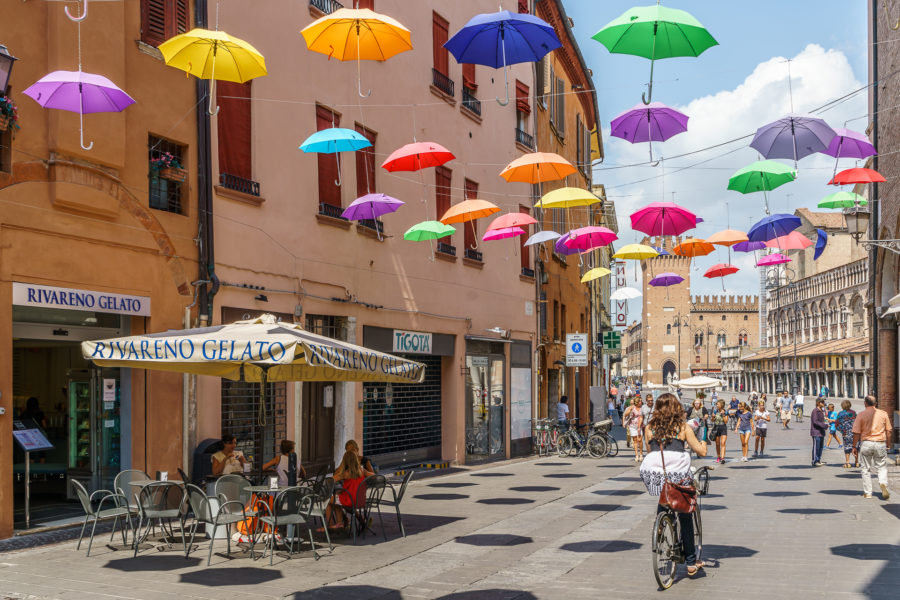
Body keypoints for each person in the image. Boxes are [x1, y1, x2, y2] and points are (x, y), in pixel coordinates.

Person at [640, 393, 707, 577]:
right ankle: (692, 563)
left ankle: (660, 523)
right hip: (677, 473)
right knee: (685, 513)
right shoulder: (683, 427)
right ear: (676, 408)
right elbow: (701, 451)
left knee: (665, 493)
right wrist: (703, 439)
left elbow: (649, 451)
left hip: (654, 471)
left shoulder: (649, 427)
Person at [851, 395, 891, 500]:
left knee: (865, 468)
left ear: (865, 403)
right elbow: (889, 431)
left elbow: (856, 432)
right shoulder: (883, 414)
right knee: (881, 466)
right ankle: (883, 483)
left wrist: (854, 446)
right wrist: (888, 444)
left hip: (866, 443)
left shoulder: (861, 415)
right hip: (880, 442)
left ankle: (868, 492)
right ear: (876, 404)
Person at [324, 450, 375, 530]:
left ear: (345, 461)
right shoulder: (362, 470)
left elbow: (330, 480)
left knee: (328, 500)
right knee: (336, 500)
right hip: (360, 500)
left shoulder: (345, 473)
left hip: (349, 500)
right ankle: (342, 522)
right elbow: (374, 475)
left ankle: (332, 526)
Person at [835, 401, 857, 469]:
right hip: (854, 433)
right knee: (855, 447)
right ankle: (857, 462)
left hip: (846, 433)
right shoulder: (853, 413)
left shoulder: (840, 414)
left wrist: (842, 431)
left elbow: (837, 424)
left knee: (847, 447)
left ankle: (848, 463)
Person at [623, 397, 644, 462]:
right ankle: (636, 455)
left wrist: (639, 427)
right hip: (632, 425)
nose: (641, 402)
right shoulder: (632, 407)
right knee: (635, 440)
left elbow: (641, 417)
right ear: (637, 402)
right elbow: (625, 414)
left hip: (640, 425)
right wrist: (630, 412)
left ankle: (641, 454)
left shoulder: (642, 408)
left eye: (641, 401)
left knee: (640, 440)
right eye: (640, 401)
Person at [810, 398, 828, 466]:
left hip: (821, 431)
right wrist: (824, 425)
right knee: (816, 447)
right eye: (822, 402)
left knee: (820, 447)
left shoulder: (821, 411)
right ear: (818, 403)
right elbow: (815, 421)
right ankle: (814, 461)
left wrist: (826, 424)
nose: (824, 403)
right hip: (816, 431)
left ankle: (818, 460)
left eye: (823, 402)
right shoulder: (815, 411)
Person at [712, 399, 729, 463]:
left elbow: (726, 421)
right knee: (717, 444)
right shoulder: (715, 411)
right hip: (716, 427)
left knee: (723, 443)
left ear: (721, 405)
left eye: (718, 404)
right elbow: (712, 421)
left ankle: (722, 458)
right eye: (716, 404)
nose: (716, 405)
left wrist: (723, 414)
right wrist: (713, 417)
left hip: (723, 427)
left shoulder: (725, 411)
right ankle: (718, 456)